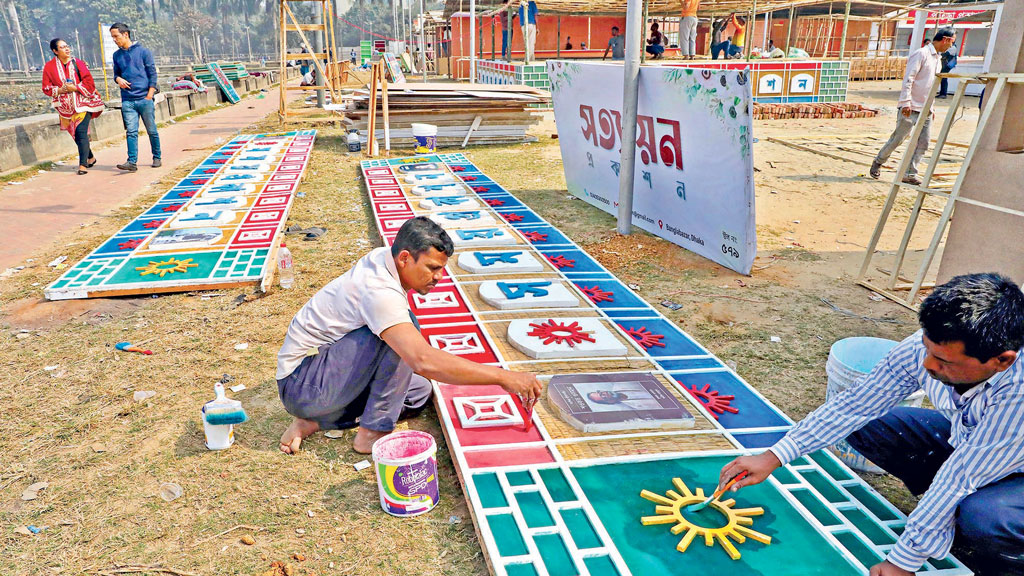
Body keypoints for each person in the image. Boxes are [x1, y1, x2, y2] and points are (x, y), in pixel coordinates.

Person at [718, 273, 1024, 576]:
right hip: (979, 445)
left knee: (987, 515)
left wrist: (901, 563)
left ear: (1001, 361)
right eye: (927, 348)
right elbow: (854, 404)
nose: (929, 364)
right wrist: (774, 456)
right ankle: (946, 520)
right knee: (875, 427)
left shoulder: (1018, 394)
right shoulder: (926, 350)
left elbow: (960, 476)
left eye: (944, 362)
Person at [276, 217, 543, 455]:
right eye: (432, 268)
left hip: (325, 378)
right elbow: (422, 360)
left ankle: (315, 419)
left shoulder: (386, 259)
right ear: (405, 258)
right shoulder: (379, 292)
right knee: (402, 338)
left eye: (440, 268)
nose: (439, 277)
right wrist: (503, 377)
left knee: (418, 392)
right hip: (302, 384)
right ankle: (371, 434)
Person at [870, 27, 955, 185]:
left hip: (926, 108)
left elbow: (931, 85)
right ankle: (879, 161)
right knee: (898, 139)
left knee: (924, 142)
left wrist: (932, 107)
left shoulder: (938, 58)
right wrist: (905, 102)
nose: (951, 46)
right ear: (945, 39)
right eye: (951, 42)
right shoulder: (921, 54)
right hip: (911, 106)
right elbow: (909, 79)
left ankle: (910, 173)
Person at [41, 38, 104, 175]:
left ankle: (82, 165)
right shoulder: (49, 67)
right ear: (55, 51)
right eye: (62, 47)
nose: (67, 49)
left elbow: (89, 82)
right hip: (65, 107)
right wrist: (60, 90)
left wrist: (75, 87)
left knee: (81, 131)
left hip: (83, 103)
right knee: (76, 134)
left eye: (67, 46)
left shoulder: (78, 63)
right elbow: (46, 87)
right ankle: (90, 157)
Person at [110, 22, 161, 172]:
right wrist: (118, 79)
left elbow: (152, 74)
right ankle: (132, 162)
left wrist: (149, 95)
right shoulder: (116, 55)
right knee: (131, 132)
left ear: (125, 34)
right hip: (128, 100)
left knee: (151, 130)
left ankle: (157, 156)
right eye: (112, 37)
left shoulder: (144, 52)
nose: (114, 40)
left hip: (144, 98)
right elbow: (116, 74)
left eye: (116, 36)